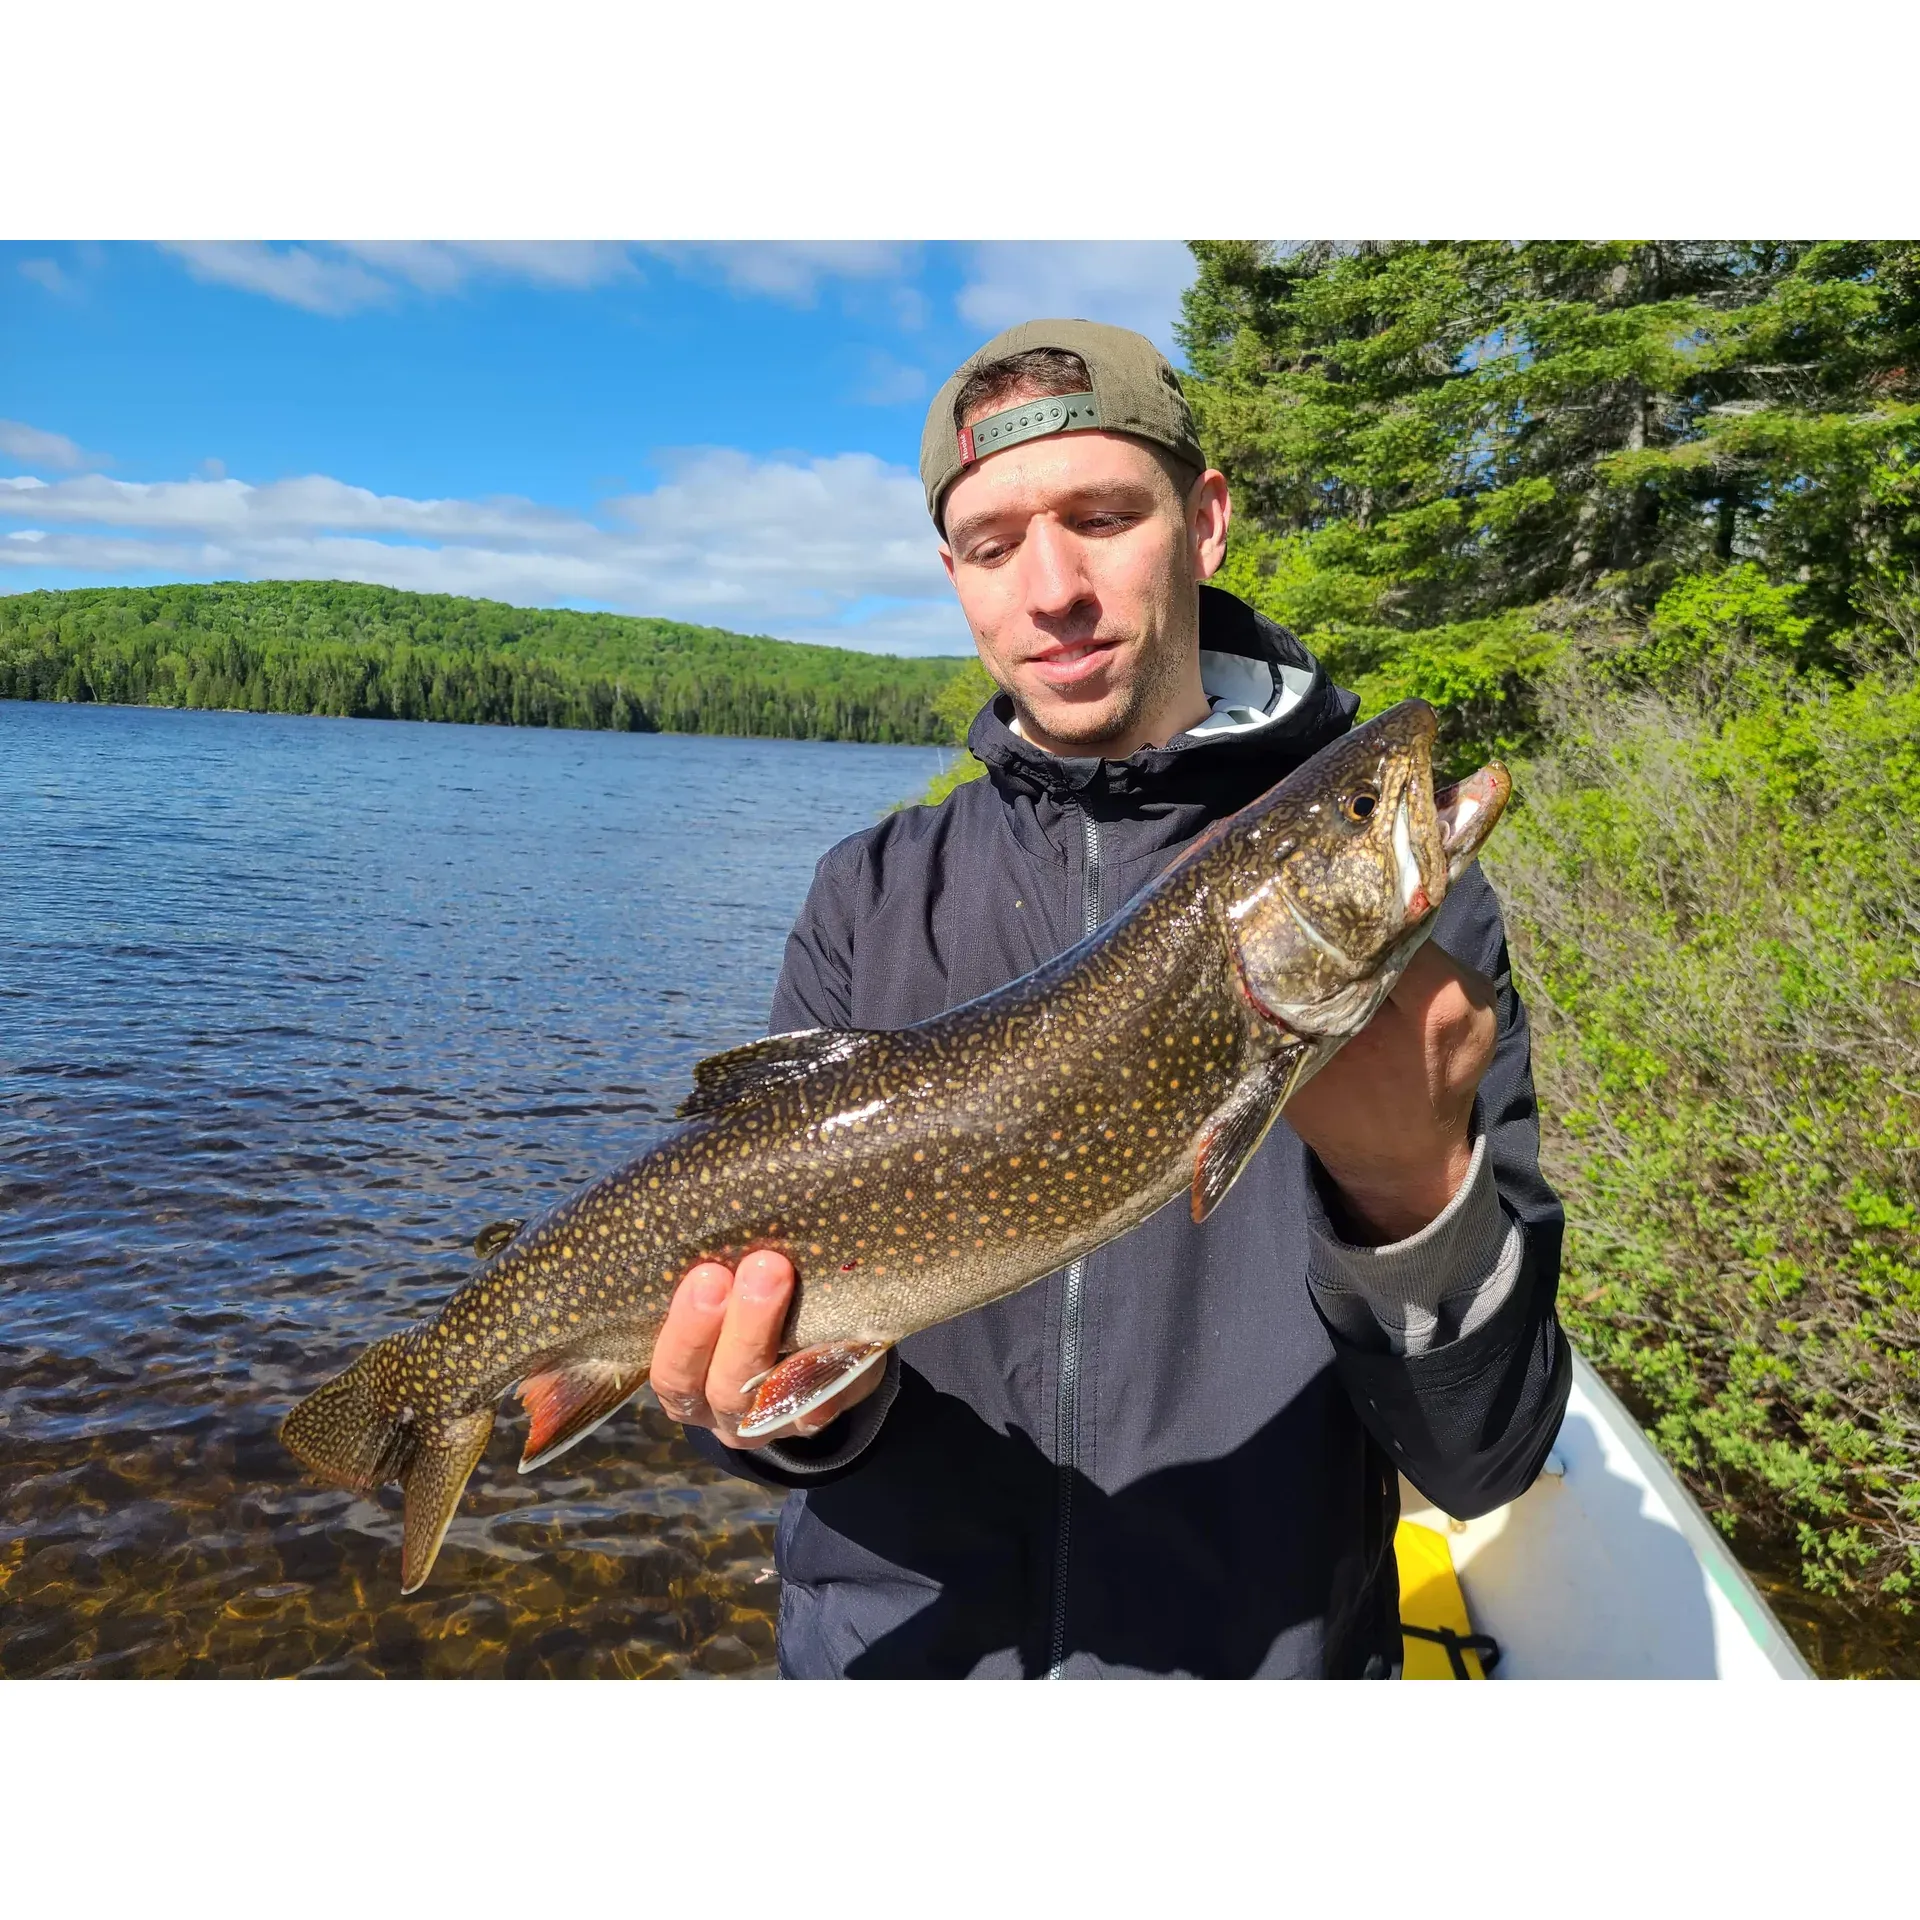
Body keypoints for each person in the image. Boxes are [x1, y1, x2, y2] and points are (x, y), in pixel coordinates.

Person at [648, 318, 1570, 1678]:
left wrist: (1415, 1198)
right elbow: (815, 1445)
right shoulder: (868, 895)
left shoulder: (1423, 946)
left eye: (1102, 516)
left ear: (1203, 524)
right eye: (994, 542)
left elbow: (1483, 1458)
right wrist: (779, 1403)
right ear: (953, 575)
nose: (1053, 587)